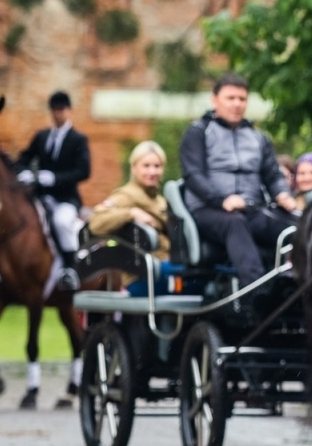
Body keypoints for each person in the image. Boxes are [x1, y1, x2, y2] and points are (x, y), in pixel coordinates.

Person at [179, 73, 297, 289]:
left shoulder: (258, 137)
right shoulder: (198, 132)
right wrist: (221, 199)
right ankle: (256, 291)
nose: (237, 104)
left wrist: (282, 193)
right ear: (214, 100)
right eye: (230, 98)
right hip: (208, 210)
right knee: (235, 223)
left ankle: (300, 286)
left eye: (242, 99)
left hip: (251, 208)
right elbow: (193, 175)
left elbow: (273, 175)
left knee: (298, 224)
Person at [15, 91, 91, 291]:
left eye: (62, 110)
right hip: (40, 196)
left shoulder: (78, 140)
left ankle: (70, 267)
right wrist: (23, 173)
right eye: (55, 110)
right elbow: (24, 157)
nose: (58, 114)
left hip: (65, 197)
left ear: (69, 111)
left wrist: (55, 178)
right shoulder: (42, 136)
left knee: (62, 221)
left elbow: (83, 171)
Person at [88, 140, 171, 258]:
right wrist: (131, 213)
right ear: (134, 167)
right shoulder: (126, 195)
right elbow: (96, 223)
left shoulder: (161, 201)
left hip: (168, 261)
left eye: (157, 166)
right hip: (143, 268)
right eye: (146, 166)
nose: (152, 171)